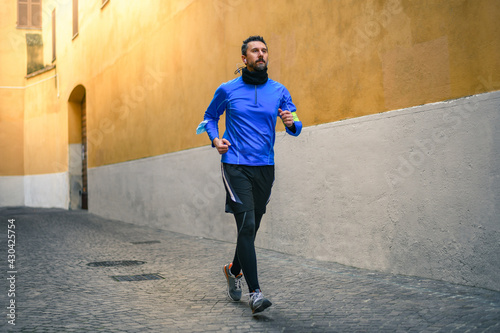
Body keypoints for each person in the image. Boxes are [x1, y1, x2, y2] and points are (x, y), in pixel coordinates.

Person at [198, 35, 302, 315]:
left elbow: (295, 124)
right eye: (255, 51)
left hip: (265, 167)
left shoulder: (279, 90)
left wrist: (292, 123)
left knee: (252, 227)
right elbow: (209, 117)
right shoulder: (227, 89)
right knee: (245, 224)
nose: (261, 54)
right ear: (244, 59)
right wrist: (215, 139)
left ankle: (233, 270)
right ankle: (256, 293)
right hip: (235, 164)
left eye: (264, 51)